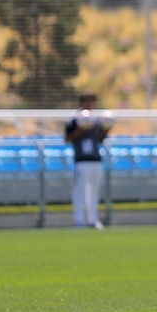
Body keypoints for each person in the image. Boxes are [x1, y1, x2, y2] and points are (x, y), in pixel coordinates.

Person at [65, 93, 112, 229]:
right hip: (81, 159)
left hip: (96, 159)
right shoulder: (74, 118)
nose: (89, 104)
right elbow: (67, 138)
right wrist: (80, 129)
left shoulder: (97, 119)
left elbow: (100, 139)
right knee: (79, 189)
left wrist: (107, 129)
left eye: (92, 101)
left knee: (94, 190)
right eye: (86, 101)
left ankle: (93, 219)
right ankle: (79, 220)